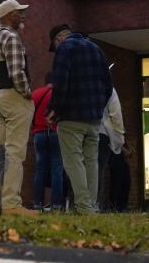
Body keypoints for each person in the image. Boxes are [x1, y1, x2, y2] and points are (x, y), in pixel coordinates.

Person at [46, 24, 112, 214]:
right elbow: (108, 85)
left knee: (73, 160)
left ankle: (83, 206)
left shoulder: (65, 49)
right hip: (94, 117)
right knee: (91, 161)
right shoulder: (96, 48)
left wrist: (54, 109)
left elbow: (60, 81)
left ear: (59, 38)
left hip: (71, 116)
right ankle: (91, 205)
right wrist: (98, 107)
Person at [0, 0, 38, 216]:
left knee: (1, 153)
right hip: (15, 98)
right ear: (8, 16)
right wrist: (27, 94)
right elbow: (17, 73)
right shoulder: (12, 38)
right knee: (16, 152)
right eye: (19, 13)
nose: (22, 16)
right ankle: (11, 204)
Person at [31, 74, 64, 211]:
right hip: (56, 133)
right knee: (57, 169)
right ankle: (56, 204)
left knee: (39, 170)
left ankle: (37, 204)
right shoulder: (60, 95)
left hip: (39, 133)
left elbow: (29, 113)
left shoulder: (36, 94)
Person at [98, 88, 125, 210]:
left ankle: (77, 203)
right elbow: (116, 114)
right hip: (101, 133)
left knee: (78, 167)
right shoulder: (107, 87)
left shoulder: (76, 81)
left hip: (76, 132)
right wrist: (119, 139)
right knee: (98, 170)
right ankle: (94, 204)